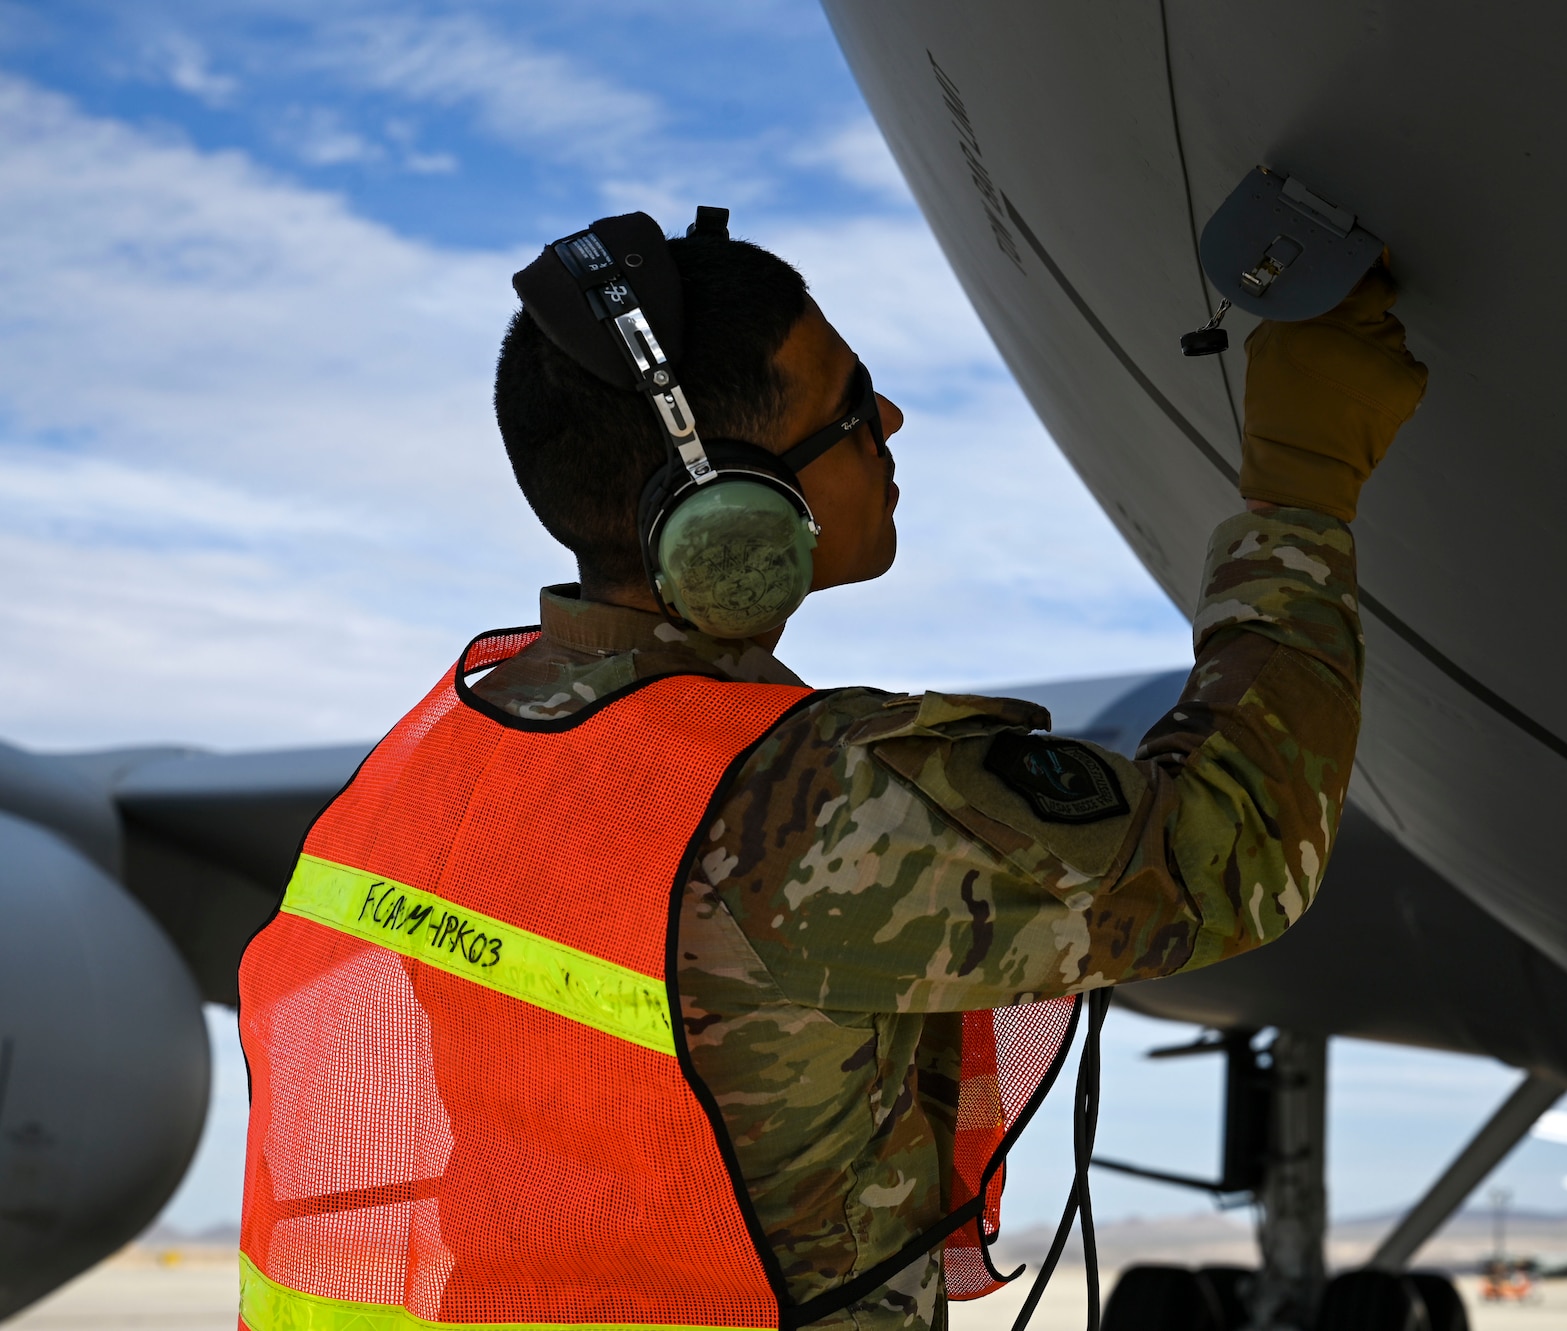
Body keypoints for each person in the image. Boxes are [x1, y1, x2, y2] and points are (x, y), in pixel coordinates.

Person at [234, 210, 1426, 1331]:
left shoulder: (433, 762)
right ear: (730, 509)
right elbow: (1230, 851)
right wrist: (1298, 495)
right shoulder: (790, 802)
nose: (891, 420)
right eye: (851, 404)